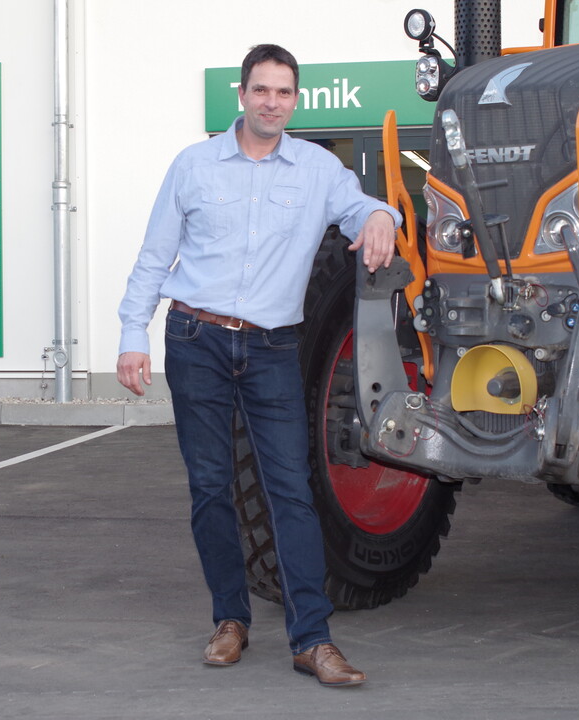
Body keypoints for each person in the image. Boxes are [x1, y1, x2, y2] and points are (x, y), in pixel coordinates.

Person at [116, 43, 399, 688]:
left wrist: (382, 214)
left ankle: (312, 639)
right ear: (242, 96)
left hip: (273, 347)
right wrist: (134, 334)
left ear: (294, 101)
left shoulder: (318, 170)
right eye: (262, 90)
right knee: (212, 487)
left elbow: (359, 208)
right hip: (197, 340)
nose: (273, 102)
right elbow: (155, 256)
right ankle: (229, 619)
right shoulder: (193, 166)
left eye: (285, 92)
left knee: (291, 491)